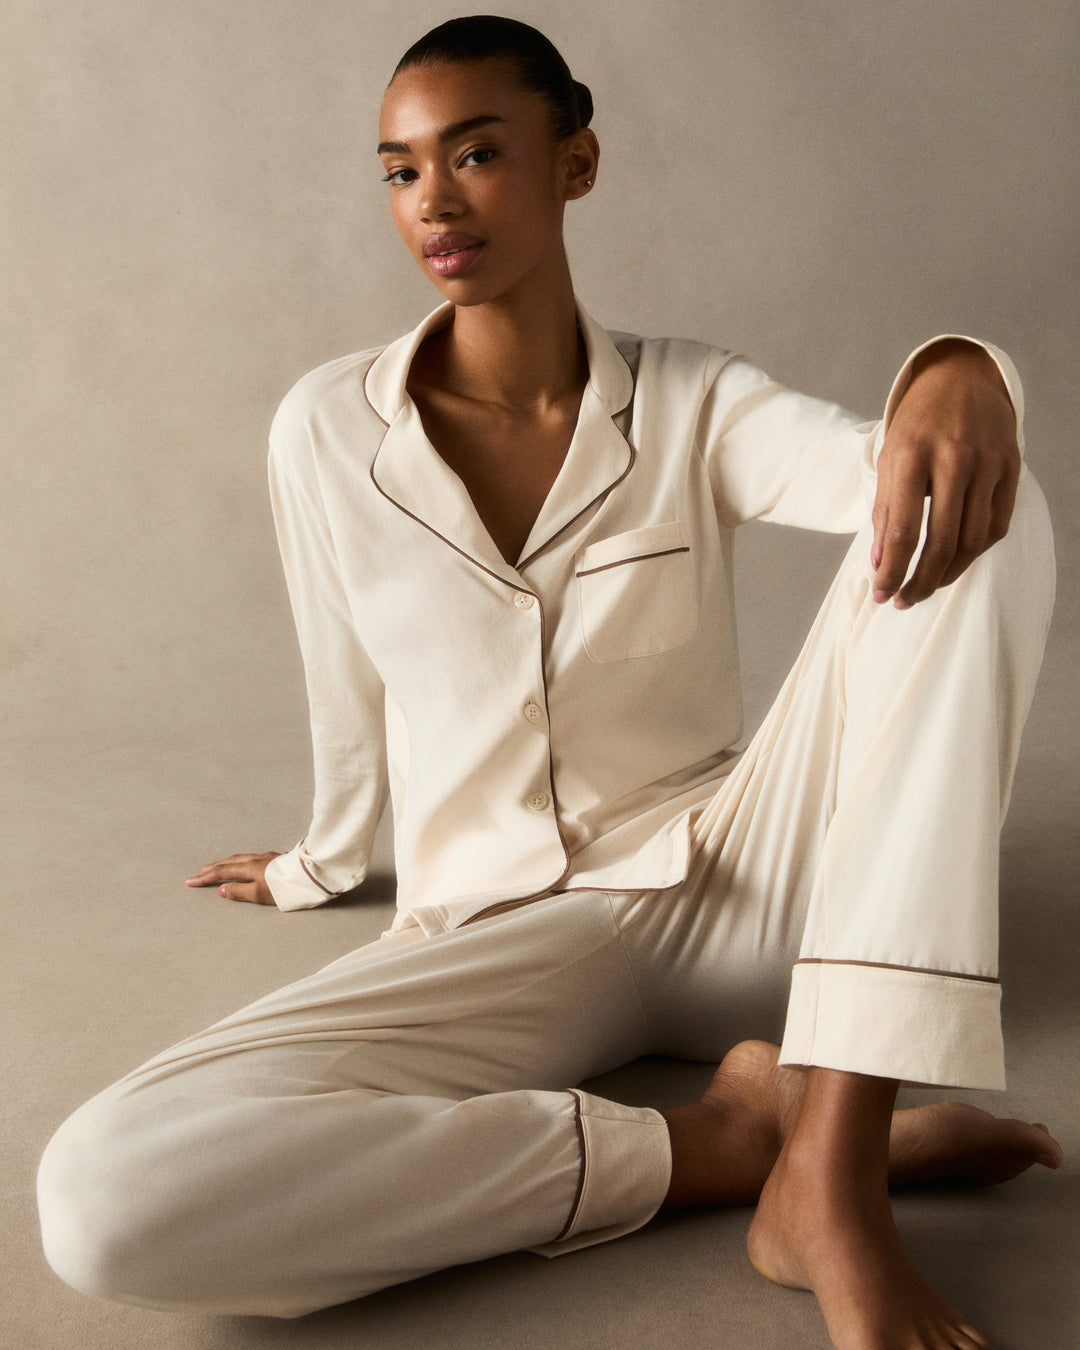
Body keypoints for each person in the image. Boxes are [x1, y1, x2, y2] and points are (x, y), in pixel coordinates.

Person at [38, 15, 1061, 1350]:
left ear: (574, 163)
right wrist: (323, 856)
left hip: (730, 890)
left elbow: (898, 463)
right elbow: (340, 678)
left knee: (987, 507)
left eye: (476, 154)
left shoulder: (697, 400)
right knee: (103, 1195)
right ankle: (739, 1141)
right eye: (401, 169)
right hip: (493, 932)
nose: (434, 202)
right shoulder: (325, 432)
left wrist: (962, 366)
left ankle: (841, 1163)